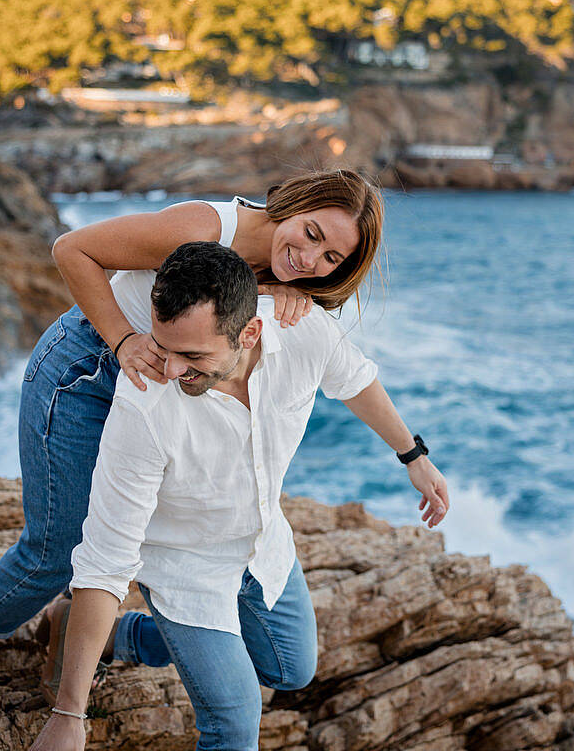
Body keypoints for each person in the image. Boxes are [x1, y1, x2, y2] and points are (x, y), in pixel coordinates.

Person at [0, 169, 411, 715]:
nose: (310, 259)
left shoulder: (284, 277)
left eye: (331, 257)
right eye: (310, 233)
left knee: (157, 536)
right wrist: (123, 340)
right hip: (86, 374)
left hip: (157, 383)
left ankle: (89, 629)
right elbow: (72, 249)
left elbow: (334, 366)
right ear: (294, 203)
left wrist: (412, 455)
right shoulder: (204, 227)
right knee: (61, 547)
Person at [26, 242, 448, 751]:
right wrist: (69, 713)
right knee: (235, 724)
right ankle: (124, 636)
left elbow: (355, 380)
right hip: (186, 567)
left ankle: (121, 637)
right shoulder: (143, 403)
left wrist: (413, 456)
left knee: (291, 670)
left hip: (264, 545)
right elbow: (104, 562)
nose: (171, 369)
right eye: (163, 346)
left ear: (250, 333)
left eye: (193, 356)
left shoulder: (304, 333)